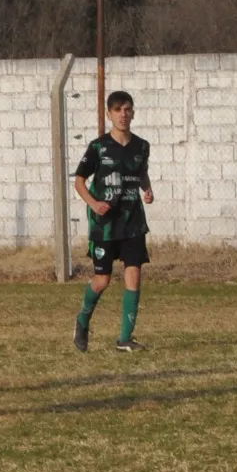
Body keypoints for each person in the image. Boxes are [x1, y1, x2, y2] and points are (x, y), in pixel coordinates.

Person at [73, 91, 153, 353]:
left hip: (133, 222)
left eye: (127, 109)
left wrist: (147, 190)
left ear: (133, 112)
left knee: (134, 274)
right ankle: (82, 321)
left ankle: (125, 339)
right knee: (102, 280)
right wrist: (94, 203)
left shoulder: (142, 146)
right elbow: (80, 181)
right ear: (109, 114)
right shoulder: (98, 147)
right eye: (117, 110)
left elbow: (141, 174)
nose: (123, 114)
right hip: (105, 224)